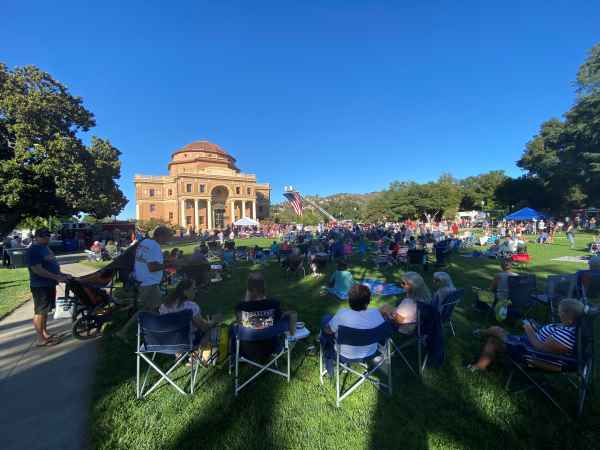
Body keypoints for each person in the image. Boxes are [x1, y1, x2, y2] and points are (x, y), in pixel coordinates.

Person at [468, 298, 584, 372]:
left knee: (496, 330)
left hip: (529, 352)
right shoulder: (567, 327)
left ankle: (479, 333)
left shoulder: (565, 336)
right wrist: (536, 327)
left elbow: (540, 347)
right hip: (527, 344)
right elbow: (545, 339)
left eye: (560, 311)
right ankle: (481, 365)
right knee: (493, 340)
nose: (558, 313)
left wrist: (529, 329)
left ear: (566, 315)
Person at [116, 226, 173, 340]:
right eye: (168, 236)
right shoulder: (155, 246)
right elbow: (153, 267)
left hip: (141, 279)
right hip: (149, 283)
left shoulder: (145, 242)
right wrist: (169, 265)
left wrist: (166, 262)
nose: (168, 239)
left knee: (149, 309)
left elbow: (147, 261)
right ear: (160, 236)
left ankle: (129, 331)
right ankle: (158, 335)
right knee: (155, 309)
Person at [235, 271, 297, 361]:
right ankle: (291, 339)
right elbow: (279, 319)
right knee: (291, 316)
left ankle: (234, 358)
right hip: (272, 347)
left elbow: (240, 323)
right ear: (264, 287)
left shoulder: (241, 307)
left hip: (247, 351)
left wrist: (248, 297)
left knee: (233, 329)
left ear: (248, 289)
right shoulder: (274, 304)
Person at [26, 228, 72, 347]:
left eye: (48, 236)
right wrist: (56, 277)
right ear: (36, 237)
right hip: (40, 286)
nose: (47, 238)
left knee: (45, 311)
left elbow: (51, 265)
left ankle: (45, 334)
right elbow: (37, 270)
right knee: (40, 312)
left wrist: (61, 275)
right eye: (43, 236)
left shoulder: (45, 247)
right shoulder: (34, 249)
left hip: (49, 284)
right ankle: (41, 339)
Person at [322, 284, 385, 362]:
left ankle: (320, 342)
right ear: (368, 301)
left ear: (349, 300)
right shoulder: (376, 313)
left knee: (326, 319)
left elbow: (328, 331)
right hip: (371, 353)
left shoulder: (342, 314)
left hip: (344, 355)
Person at [159, 279, 220, 351]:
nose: (195, 291)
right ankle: (203, 354)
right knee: (214, 327)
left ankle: (180, 355)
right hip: (188, 342)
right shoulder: (190, 307)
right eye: (193, 289)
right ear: (185, 292)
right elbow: (204, 327)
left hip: (168, 343)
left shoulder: (164, 306)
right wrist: (213, 322)